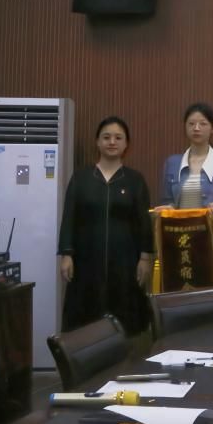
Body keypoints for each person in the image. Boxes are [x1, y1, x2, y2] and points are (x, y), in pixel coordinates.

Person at [57, 116, 154, 335]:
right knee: (85, 319)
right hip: (86, 260)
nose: (112, 142)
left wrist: (145, 258)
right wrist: (66, 254)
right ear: (97, 142)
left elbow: (143, 222)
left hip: (126, 261)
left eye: (118, 138)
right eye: (106, 137)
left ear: (126, 144)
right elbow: (69, 217)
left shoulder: (135, 180)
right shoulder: (81, 178)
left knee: (126, 318)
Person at [158, 103, 213, 209]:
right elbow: (167, 201)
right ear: (185, 127)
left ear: (212, 128)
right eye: (191, 124)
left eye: (203, 124)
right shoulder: (172, 163)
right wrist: (169, 207)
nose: (196, 128)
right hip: (180, 220)